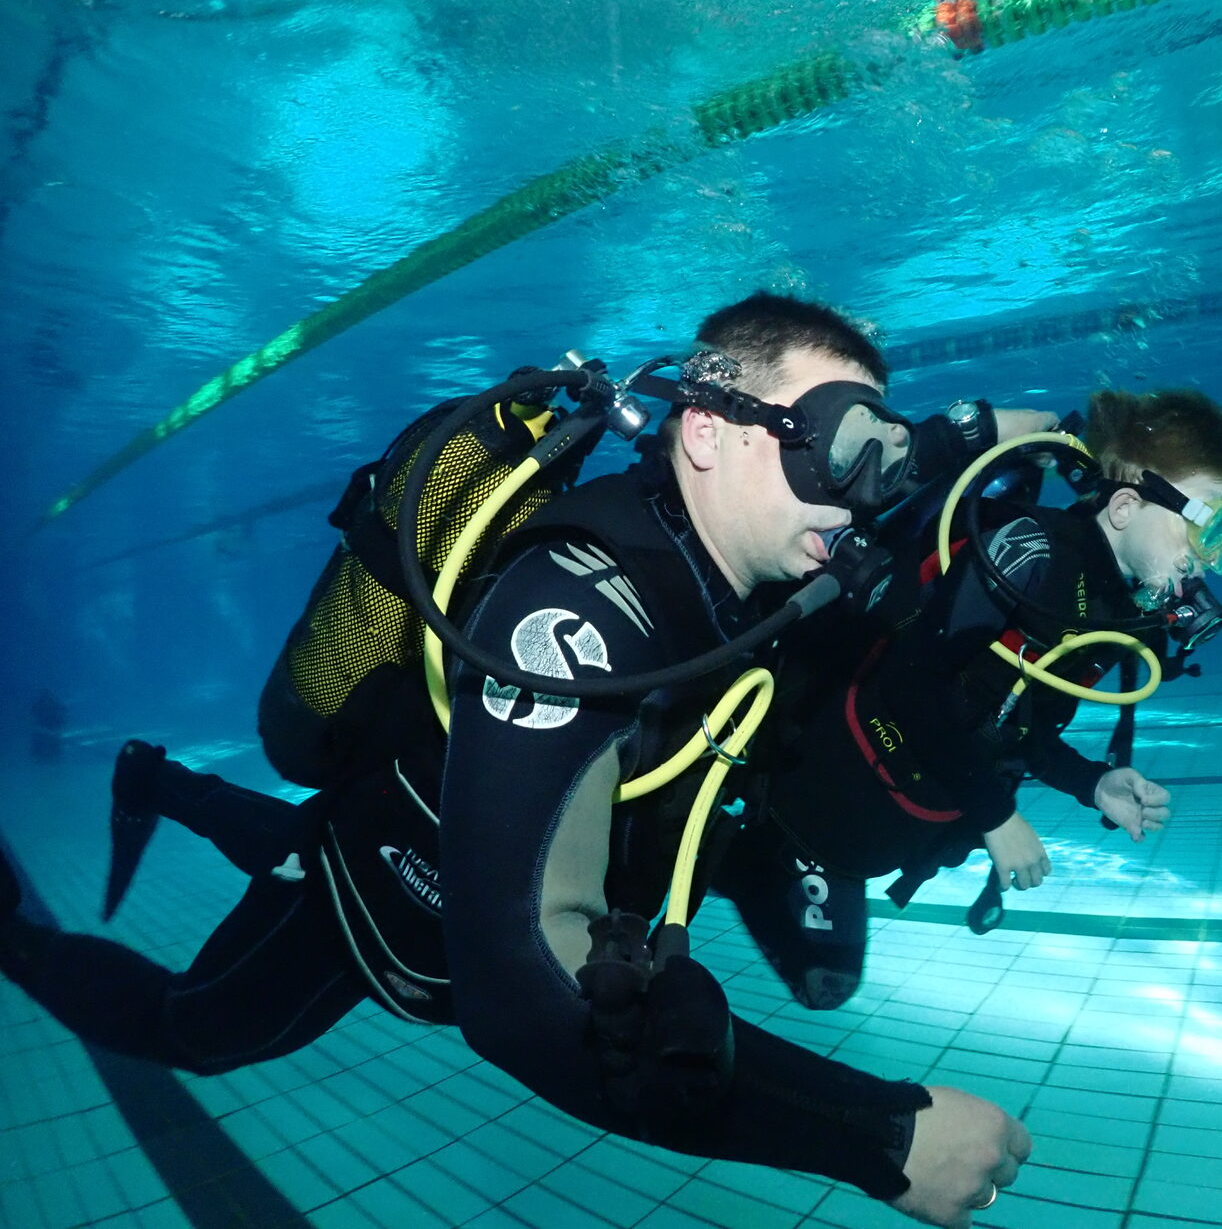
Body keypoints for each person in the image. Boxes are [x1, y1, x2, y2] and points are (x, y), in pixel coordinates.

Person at [0, 294, 1032, 1227]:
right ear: (708, 433)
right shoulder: (575, 616)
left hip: (447, 815)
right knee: (203, 1028)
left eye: (882, 458)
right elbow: (517, 986)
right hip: (390, 890)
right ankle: (13, 937)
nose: (864, 497)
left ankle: (158, 780)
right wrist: (877, 1135)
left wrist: (1054, 442)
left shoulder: (747, 559)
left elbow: (922, 460)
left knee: (291, 839)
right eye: (844, 450)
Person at [715, 387, 1222, 1011]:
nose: (1213, 561)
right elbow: (908, 685)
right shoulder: (1030, 553)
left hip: (909, 815)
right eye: (1210, 527)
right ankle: (720, 845)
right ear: (1122, 508)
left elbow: (1011, 722)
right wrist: (996, 817)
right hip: (831, 786)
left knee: (827, 983)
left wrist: (1092, 784)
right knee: (822, 980)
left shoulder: (1127, 616)